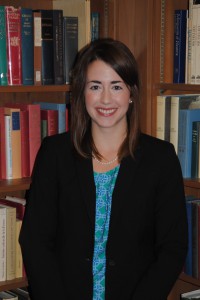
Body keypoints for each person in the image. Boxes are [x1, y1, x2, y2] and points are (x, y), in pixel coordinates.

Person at [19, 38, 188, 300]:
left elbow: (172, 248)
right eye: (95, 86)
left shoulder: (161, 158)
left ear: (131, 93)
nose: (106, 99)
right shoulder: (55, 154)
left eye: (116, 86)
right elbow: (35, 242)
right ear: (81, 93)